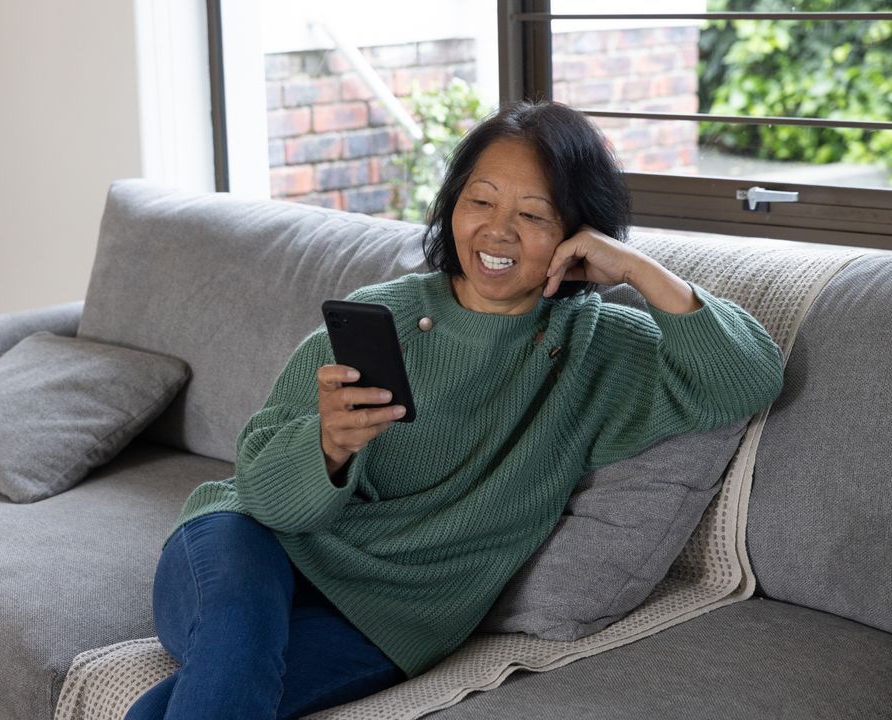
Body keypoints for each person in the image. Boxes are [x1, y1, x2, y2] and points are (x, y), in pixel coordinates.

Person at [124, 100, 784, 720]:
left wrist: (640, 269)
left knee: (189, 703)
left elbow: (749, 378)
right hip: (245, 547)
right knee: (236, 657)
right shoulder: (380, 316)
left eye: (533, 214)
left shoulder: (599, 349)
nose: (497, 230)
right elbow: (264, 499)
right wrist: (326, 447)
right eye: (480, 202)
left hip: (394, 616)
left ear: (576, 230)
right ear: (452, 208)